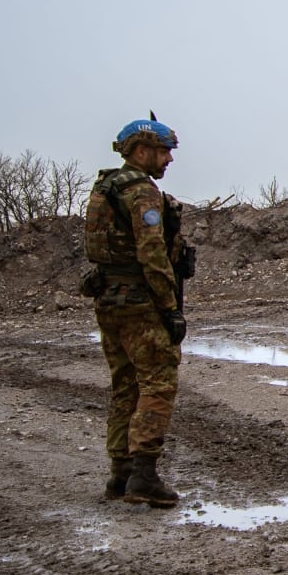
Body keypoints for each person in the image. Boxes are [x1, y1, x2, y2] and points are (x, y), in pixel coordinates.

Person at [82, 117, 190, 508]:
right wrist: (169, 307)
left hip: (108, 300)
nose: (167, 160)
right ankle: (143, 474)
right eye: (163, 152)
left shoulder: (104, 188)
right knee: (158, 382)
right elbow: (152, 254)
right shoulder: (142, 193)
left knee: (125, 384)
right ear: (140, 151)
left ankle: (120, 473)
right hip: (138, 303)